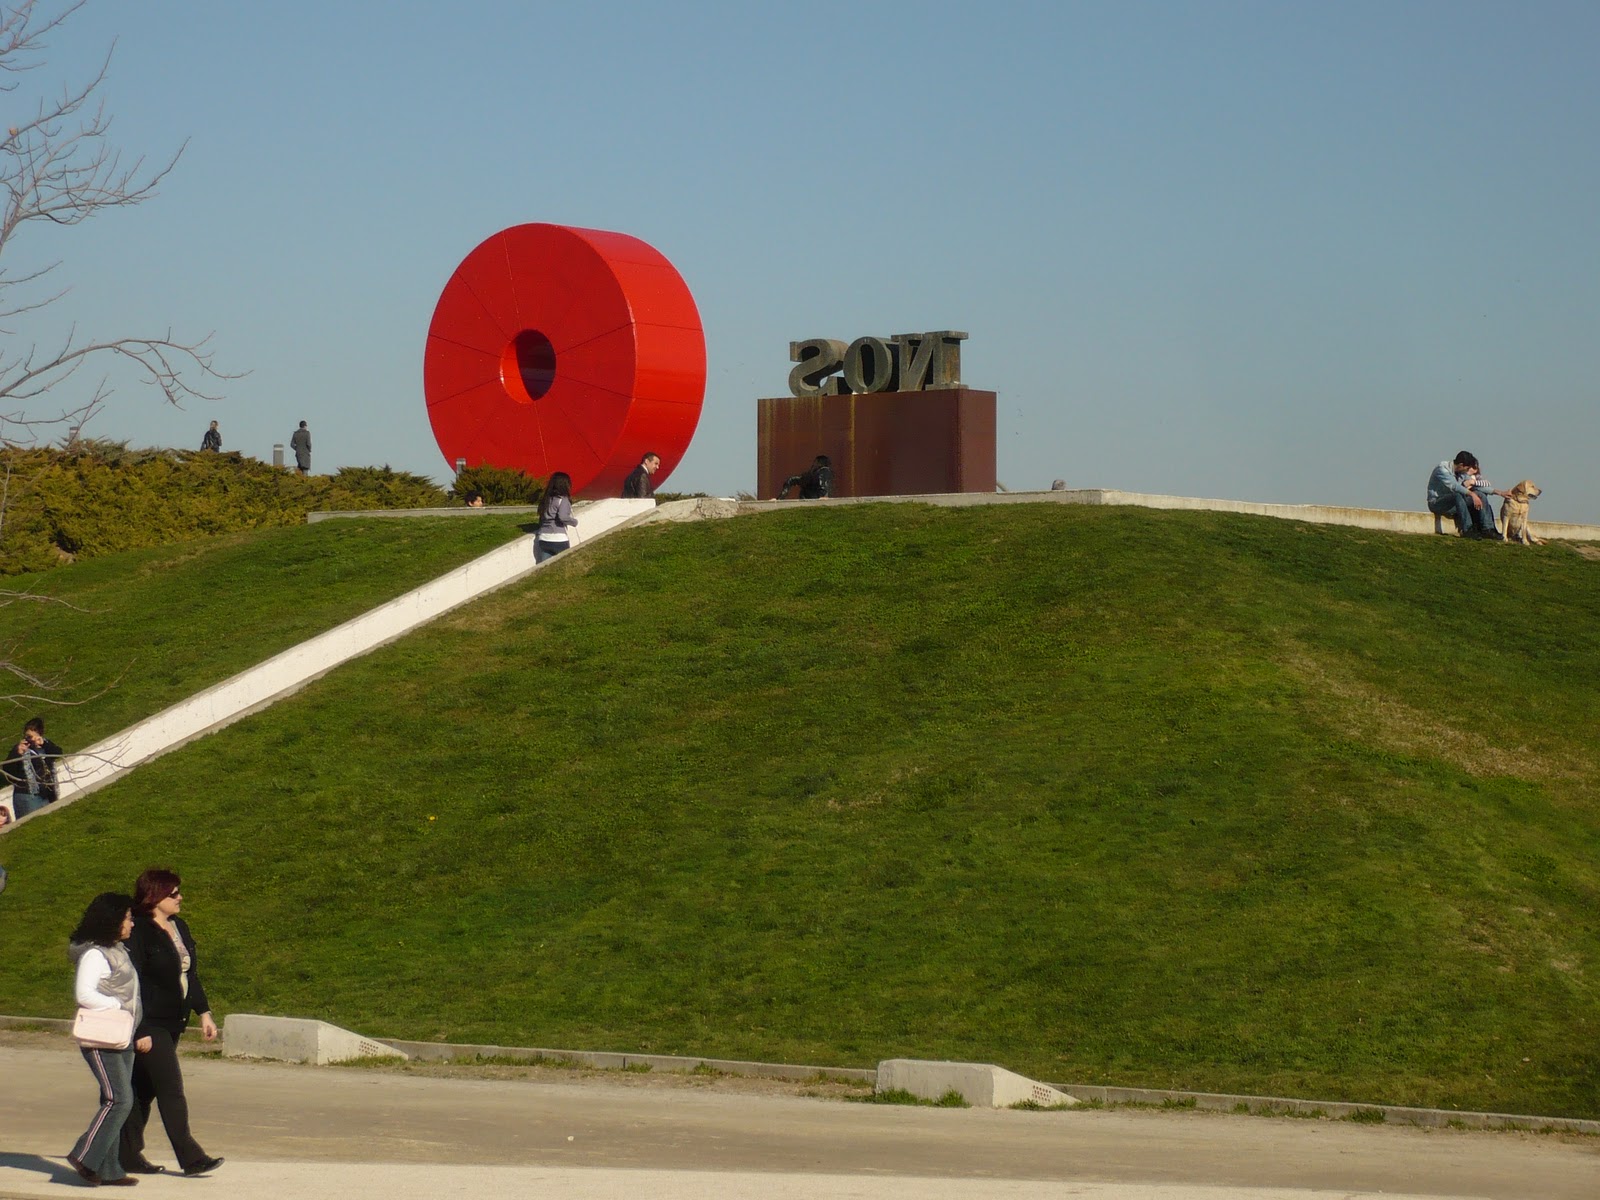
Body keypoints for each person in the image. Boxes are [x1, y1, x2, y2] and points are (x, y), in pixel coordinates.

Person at [119, 869, 224, 1178]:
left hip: (175, 1021)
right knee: (171, 1088)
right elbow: (131, 982)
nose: (180, 898)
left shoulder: (179, 927)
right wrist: (137, 1029)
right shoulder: (139, 931)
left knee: (142, 1089)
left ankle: (126, 1154)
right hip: (150, 1023)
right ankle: (190, 1156)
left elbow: (190, 974)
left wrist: (203, 1012)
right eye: (173, 894)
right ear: (155, 896)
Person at [68, 892, 150, 1187]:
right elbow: (84, 994)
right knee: (121, 1099)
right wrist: (116, 1006)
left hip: (122, 1035)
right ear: (112, 920)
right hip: (102, 1037)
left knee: (114, 1099)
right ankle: (85, 1155)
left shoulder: (117, 949)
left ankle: (110, 1169)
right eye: (127, 917)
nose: (131, 923)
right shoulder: (94, 954)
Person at [1426, 451, 1504, 540]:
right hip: (1437, 503)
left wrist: (1499, 492)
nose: (1467, 472)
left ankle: (1488, 529)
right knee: (1457, 495)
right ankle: (1467, 529)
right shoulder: (1442, 469)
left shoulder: (1462, 472)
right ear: (1461, 465)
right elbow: (1455, 486)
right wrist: (1471, 494)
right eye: (1467, 469)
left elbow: (1476, 487)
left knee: (1480, 495)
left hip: (1456, 502)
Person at [2, 716, 63, 818]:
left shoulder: (45, 745)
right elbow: (8, 770)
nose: (30, 740)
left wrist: (43, 744)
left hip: (46, 794)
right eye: (27, 736)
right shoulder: (19, 748)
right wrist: (18, 754)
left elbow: (58, 753)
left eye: (32, 736)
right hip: (28, 795)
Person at [535, 471, 578, 563]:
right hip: (559, 539)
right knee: (563, 566)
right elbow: (563, 517)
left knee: (544, 568)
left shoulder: (546, 499)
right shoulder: (563, 499)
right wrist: (574, 522)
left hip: (543, 538)